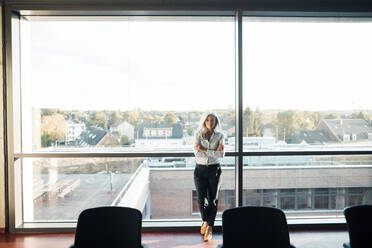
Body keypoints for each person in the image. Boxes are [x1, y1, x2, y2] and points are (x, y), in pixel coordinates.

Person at [193, 111, 225, 242]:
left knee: (212, 199)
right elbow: (197, 153)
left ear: (216, 122)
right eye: (208, 120)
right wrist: (211, 152)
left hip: (214, 170)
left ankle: (209, 227)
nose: (210, 122)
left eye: (212, 120)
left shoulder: (220, 135)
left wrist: (204, 149)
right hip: (200, 170)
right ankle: (205, 221)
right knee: (201, 199)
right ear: (204, 121)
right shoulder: (198, 134)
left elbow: (221, 154)